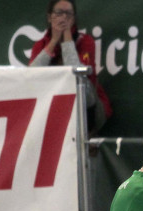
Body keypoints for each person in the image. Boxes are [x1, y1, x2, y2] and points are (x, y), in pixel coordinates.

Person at [28, 0, 112, 133]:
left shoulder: (86, 41)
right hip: (51, 106)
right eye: (59, 13)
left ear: (74, 19)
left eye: (68, 14)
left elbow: (78, 78)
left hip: (86, 108)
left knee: (80, 83)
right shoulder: (41, 45)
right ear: (50, 17)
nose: (64, 18)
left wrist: (67, 37)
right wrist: (54, 41)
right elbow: (30, 77)